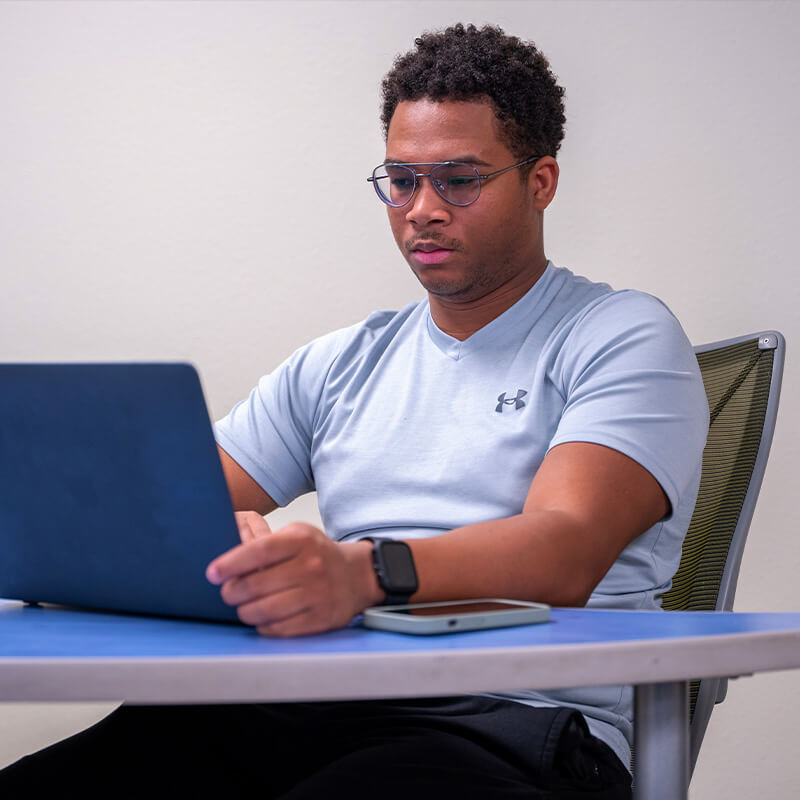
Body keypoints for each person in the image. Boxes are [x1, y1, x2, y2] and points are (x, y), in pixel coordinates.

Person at [0, 22, 708, 799]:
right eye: (402, 180)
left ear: (541, 181)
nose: (422, 209)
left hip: (508, 726)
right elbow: (161, 518)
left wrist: (360, 572)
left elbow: (565, 550)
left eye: (458, 180)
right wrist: (216, 550)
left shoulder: (621, 335)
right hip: (298, 705)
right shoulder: (340, 362)